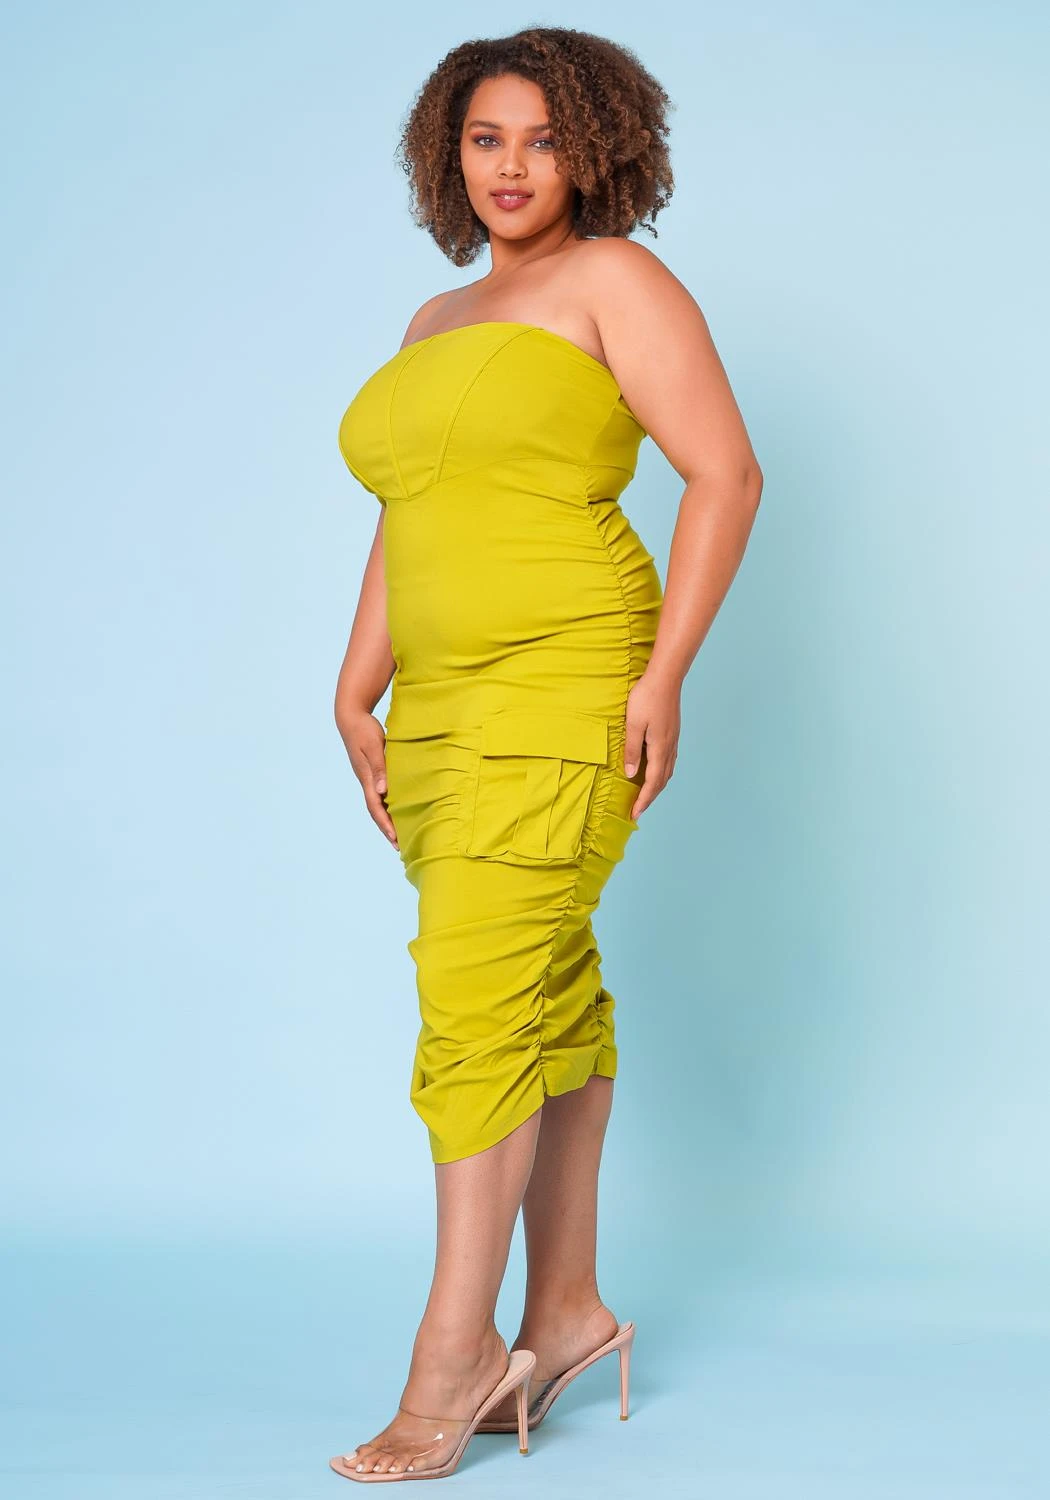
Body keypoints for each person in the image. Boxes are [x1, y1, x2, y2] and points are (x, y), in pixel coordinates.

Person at [330, 26, 763, 1483]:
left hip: (568, 677)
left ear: (594, 149)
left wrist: (663, 674)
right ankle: (567, 1311)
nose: (511, 167)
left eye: (541, 139)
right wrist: (356, 684)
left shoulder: (615, 281)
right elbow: (413, 511)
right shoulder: (433, 320)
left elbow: (723, 472)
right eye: (484, 139)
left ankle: (451, 1359)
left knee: (474, 1000)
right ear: (446, 156)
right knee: (541, 984)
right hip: (441, 703)